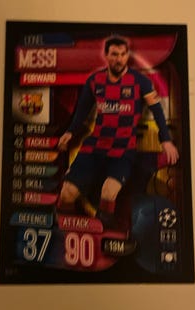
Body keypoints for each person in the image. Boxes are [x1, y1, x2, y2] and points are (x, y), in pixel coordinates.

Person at [57, 36, 179, 227]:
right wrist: (70, 132)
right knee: (67, 194)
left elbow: (157, 110)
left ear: (127, 56)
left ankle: (102, 231)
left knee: (109, 192)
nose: (119, 59)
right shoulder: (94, 81)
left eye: (123, 54)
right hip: (94, 147)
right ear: (106, 55)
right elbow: (81, 112)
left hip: (123, 149)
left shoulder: (141, 82)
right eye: (114, 54)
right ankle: (64, 230)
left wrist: (166, 139)